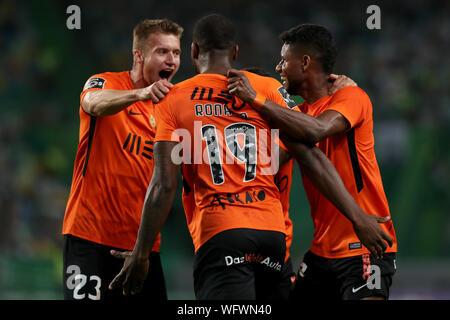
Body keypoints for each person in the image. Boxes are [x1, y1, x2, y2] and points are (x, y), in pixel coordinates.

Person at [109, 14, 393, 300]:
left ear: (193, 51)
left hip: (220, 233)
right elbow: (310, 155)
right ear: (235, 52)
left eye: (284, 62)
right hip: (273, 238)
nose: (278, 68)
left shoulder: (173, 98)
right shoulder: (269, 91)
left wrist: (141, 254)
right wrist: (358, 217)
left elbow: (163, 186)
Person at [227, 23, 397, 300]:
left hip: (366, 240)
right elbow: (268, 164)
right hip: (321, 252)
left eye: (284, 60)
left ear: (305, 62)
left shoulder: (351, 97)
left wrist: (254, 98)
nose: (278, 67)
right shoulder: (300, 114)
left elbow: (315, 130)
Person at [62, 18, 183, 300]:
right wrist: (139, 93)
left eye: (176, 53)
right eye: (162, 52)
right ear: (139, 55)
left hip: (142, 249)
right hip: (88, 238)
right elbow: (92, 103)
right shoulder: (106, 82)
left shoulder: (174, 110)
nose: (171, 60)